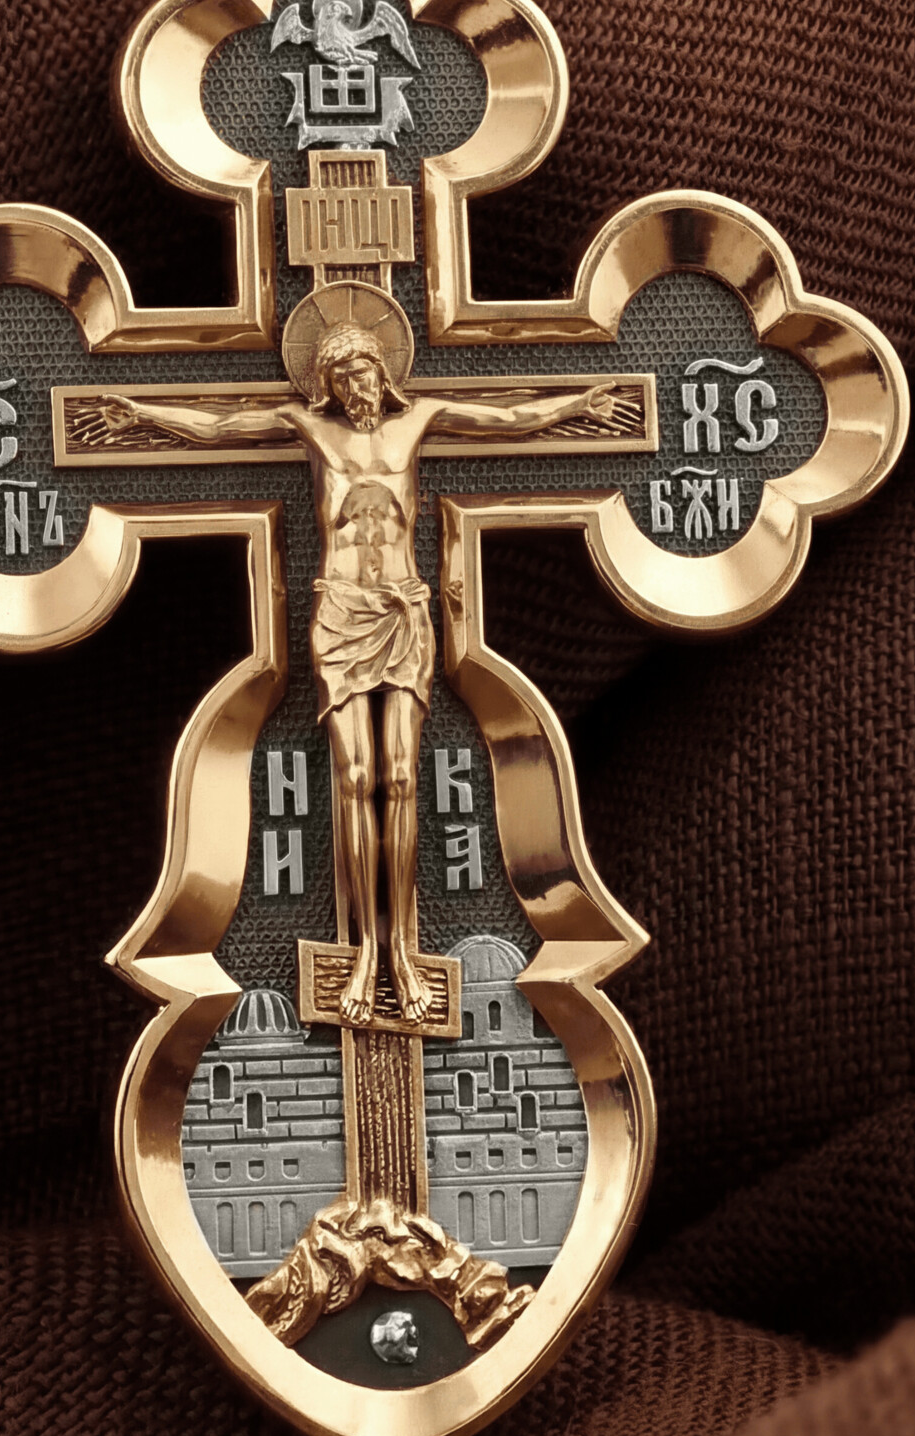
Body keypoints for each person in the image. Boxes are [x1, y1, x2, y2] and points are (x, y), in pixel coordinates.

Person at [98, 325, 621, 1024]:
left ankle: (399, 950)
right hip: (343, 615)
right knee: (354, 779)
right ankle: (366, 953)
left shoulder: (420, 419)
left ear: (382, 371)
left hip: (403, 613)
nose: (356, 387)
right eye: (341, 377)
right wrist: (143, 415)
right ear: (328, 386)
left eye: (362, 371)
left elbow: (507, 417)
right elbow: (221, 426)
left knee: (399, 779)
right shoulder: (310, 428)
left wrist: (578, 404)